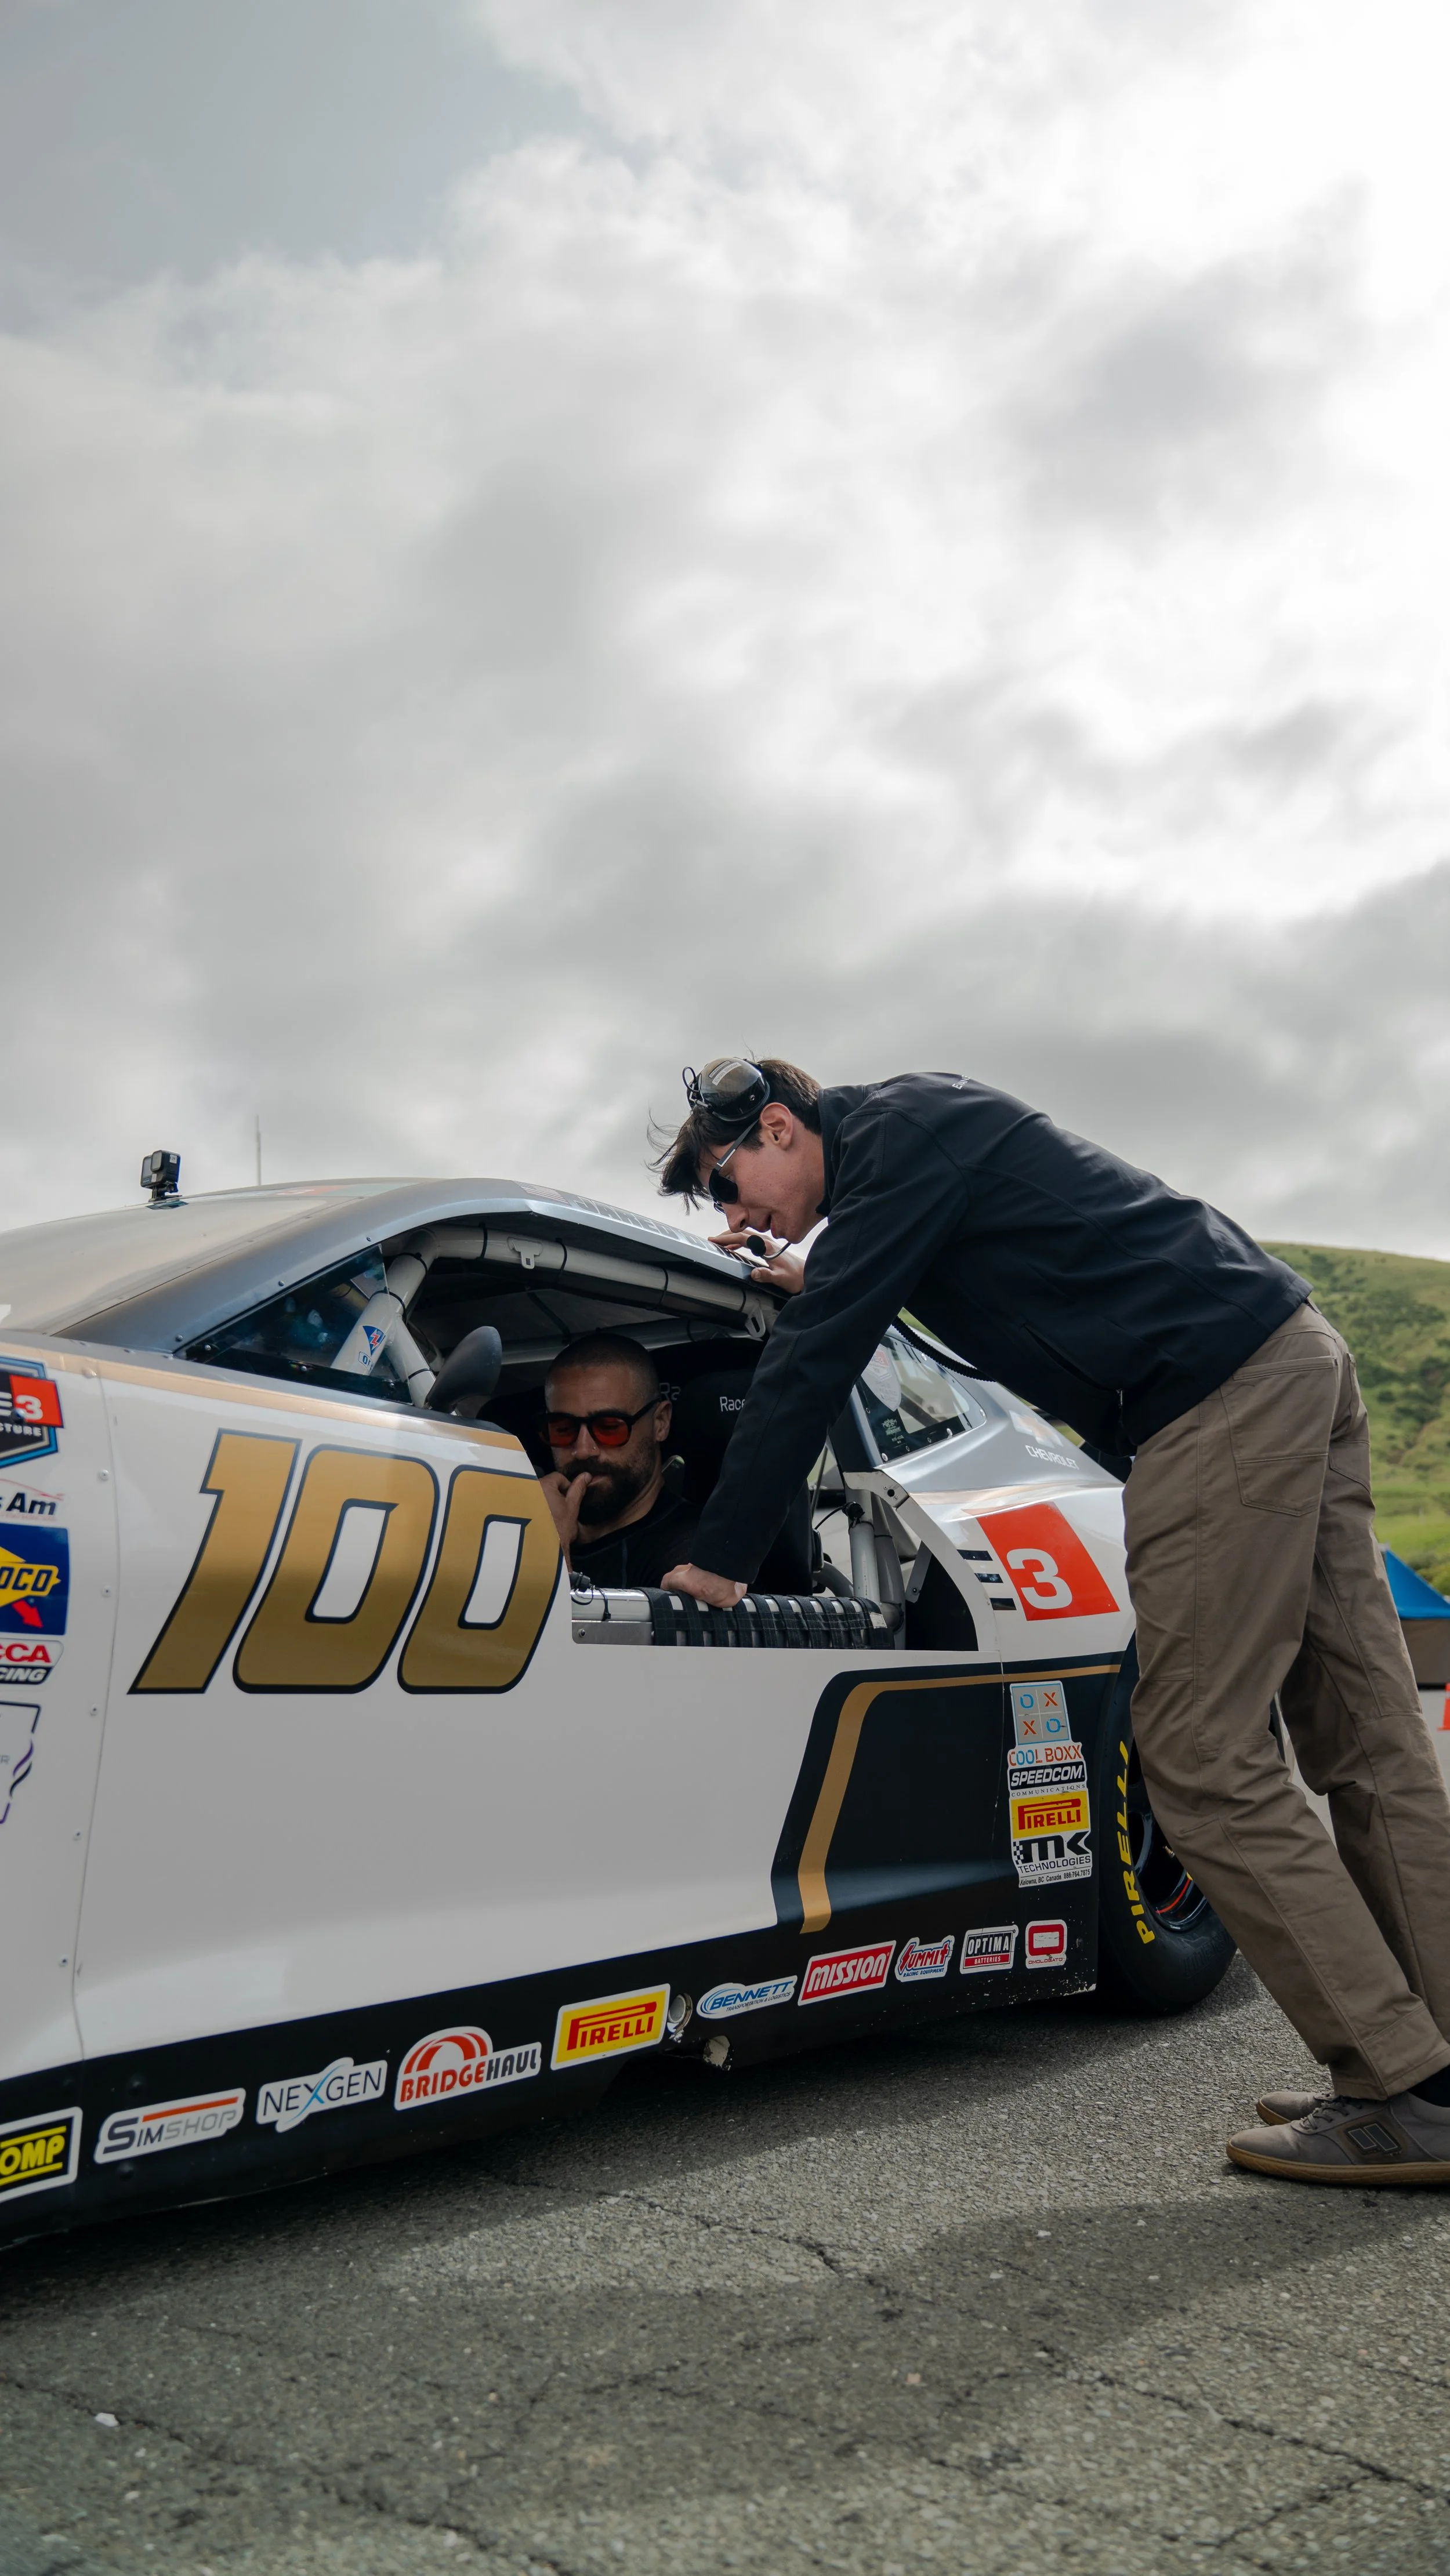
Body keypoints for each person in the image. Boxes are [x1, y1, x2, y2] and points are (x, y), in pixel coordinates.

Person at [654, 1055, 1450, 2186]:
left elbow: (821, 1350)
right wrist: (813, 1280)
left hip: (1212, 1396)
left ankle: (1396, 2086)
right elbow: (888, 1302)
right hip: (1281, 1352)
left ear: (778, 1125)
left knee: (1193, 1749)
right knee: (1366, 1743)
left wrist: (718, 1556)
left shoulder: (893, 1137)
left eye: (728, 1184)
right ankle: (1436, 2072)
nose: (735, 1216)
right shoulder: (910, 1149)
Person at [538, 1332, 700, 1591]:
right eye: (563, 1428)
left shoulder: (691, 1557)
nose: (583, 1450)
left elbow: (564, 1633)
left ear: (660, 1423)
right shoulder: (524, 1528)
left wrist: (550, 1545)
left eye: (609, 1427)